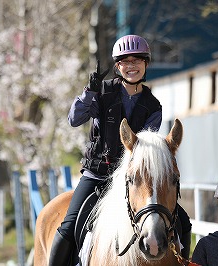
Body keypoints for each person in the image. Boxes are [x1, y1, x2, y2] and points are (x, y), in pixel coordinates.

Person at [49, 34, 189, 265]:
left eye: (137, 60)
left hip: (135, 178)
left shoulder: (153, 106)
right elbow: (74, 119)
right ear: (118, 66)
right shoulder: (102, 92)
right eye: (125, 61)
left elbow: (147, 154)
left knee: (183, 221)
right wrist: (88, 93)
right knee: (69, 225)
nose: (131, 66)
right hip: (97, 175)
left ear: (146, 64)